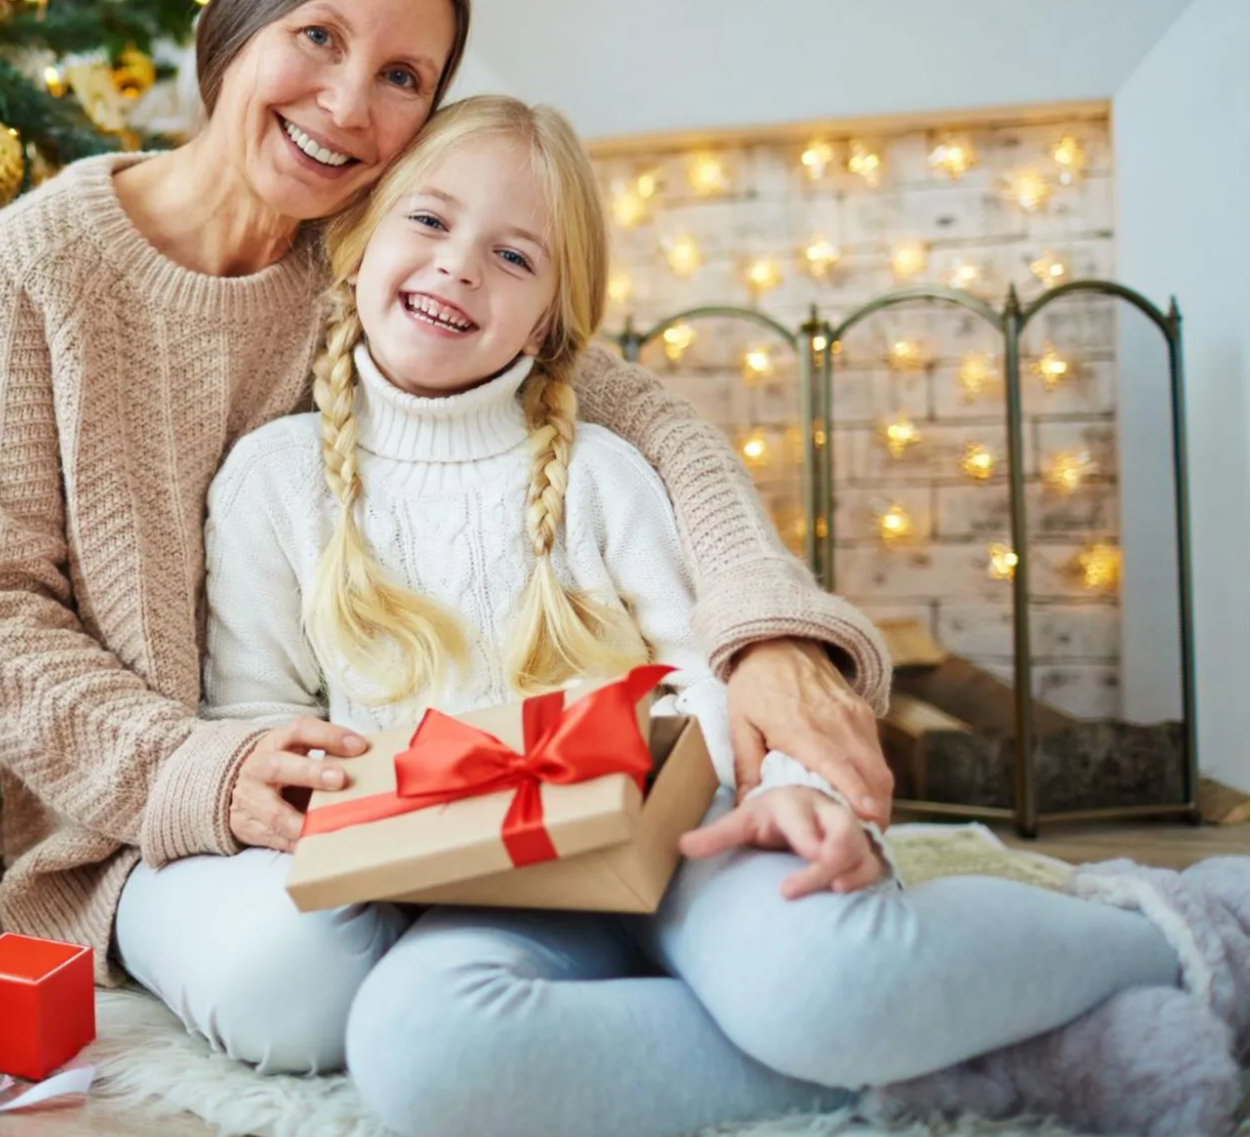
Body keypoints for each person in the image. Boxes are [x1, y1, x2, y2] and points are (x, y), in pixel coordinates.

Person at [0, 0, 896, 1074]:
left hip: (394, 802)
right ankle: (789, 1033)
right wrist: (190, 770)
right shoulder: (40, 262)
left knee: (470, 949)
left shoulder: (374, 242)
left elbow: (635, 412)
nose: (347, 103)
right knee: (299, 996)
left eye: (402, 76)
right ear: (236, 25)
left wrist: (764, 636)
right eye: (320, 37)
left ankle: (800, 1011)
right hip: (143, 814)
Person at [195, 94, 1248, 1137]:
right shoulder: (273, 483)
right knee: (418, 1050)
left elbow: (716, 670)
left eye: (515, 257)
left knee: (826, 978)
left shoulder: (603, 473)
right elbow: (257, 717)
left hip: (693, 836)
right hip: (469, 896)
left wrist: (783, 788)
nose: (460, 265)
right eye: (427, 220)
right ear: (358, 240)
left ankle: (1188, 926)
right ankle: (978, 1057)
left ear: (552, 317)